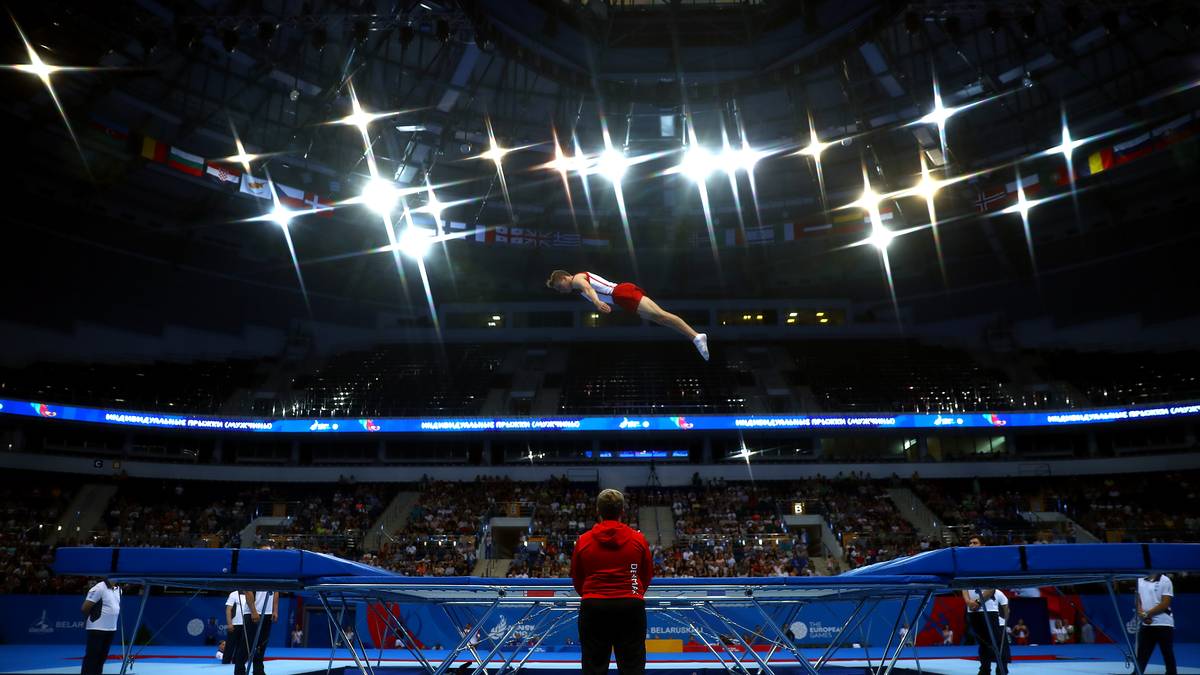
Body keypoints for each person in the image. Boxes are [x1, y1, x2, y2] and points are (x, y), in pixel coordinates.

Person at [571, 488, 654, 675]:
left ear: (598, 511)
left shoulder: (583, 541)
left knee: (594, 667)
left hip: (594, 606)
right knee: (632, 667)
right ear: (622, 511)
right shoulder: (638, 539)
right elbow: (646, 574)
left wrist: (593, 593)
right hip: (630, 605)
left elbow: (577, 578)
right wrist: (632, 591)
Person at [546, 270, 709, 361]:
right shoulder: (577, 287)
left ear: (564, 277)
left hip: (621, 293)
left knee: (661, 315)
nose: (561, 290)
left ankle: (696, 336)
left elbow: (589, 289)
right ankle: (694, 337)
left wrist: (596, 303)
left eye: (559, 286)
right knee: (660, 318)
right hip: (621, 298)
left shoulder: (577, 279)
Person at [964, 536, 1005, 675]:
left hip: (988, 609)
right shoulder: (965, 564)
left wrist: (977, 602)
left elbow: (992, 587)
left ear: (983, 545)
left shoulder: (988, 563)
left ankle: (1002, 669)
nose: (971, 545)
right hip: (972, 610)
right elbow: (962, 585)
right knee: (982, 643)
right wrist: (968, 602)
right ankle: (984, 669)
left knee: (995, 642)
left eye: (975, 543)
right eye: (970, 543)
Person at [1136, 573, 1176, 675]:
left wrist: (1146, 614)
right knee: (1142, 654)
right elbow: (1138, 599)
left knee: (1167, 653)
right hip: (1146, 623)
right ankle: (1137, 673)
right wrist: (1141, 614)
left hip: (1164, 623)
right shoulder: (1139, 579)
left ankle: (1171, 673)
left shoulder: (1165, 580)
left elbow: (1165, 604)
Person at [80, 578, 121, 675]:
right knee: (92, 656)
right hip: (97, 628)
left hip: (111, 628)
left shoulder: (119, 589)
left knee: (102, 657)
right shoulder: (99, 588)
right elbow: (85, 608)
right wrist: (93, 619)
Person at [224, 590, 244, 665]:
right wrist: (229, 623)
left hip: (245, 625)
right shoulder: (234, 594)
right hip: (234, 624)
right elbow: (228, 610)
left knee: (241, 646)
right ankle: (225, 662)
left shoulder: (251, 593)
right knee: (230, 645)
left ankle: (237, 662)